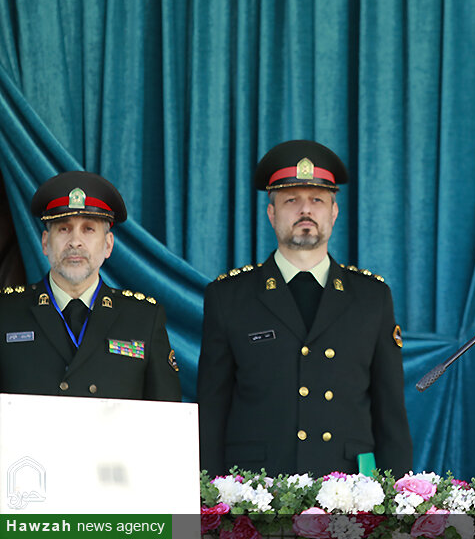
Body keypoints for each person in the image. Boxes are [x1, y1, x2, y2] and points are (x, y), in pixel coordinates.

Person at [198, 140, 413, 477]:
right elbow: (211, 413)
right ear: (271, 214)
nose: (305, 210)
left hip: (348, 490)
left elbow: (391, 416)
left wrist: (395, 495)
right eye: (291, 200)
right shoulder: (228, 297)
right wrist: (208, 496)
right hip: (256, 490)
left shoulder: (372, 298)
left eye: (317, 200)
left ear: (334, 212)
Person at [0, 171, 182, 401]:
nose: (75, 242)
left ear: (108, 245)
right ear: (45, 242)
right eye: (64, 228)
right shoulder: (6, 313)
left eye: (88, 229)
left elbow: (166, 415)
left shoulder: (144, 319)